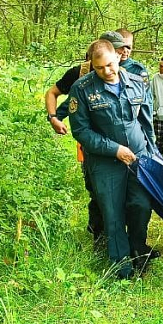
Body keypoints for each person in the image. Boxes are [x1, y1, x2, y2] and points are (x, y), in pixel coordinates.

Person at [67, 39, 157, 279]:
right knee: (112, 213)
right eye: (99, 68)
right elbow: (81, 132)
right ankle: (121, 266)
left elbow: (147, 122)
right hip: (105, 161)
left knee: (141, 206)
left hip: (138, 158)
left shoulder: (137, 83)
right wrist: (115, 149)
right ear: (91, 66)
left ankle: (139, 252)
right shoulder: (82, 89)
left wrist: (153, 154)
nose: (106, 71)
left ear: (118, 57)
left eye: (109, 64)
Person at [44, 48, 104, 243]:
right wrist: (54, 118)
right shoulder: (78, 74)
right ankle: (99, 234)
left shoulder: (119, 73)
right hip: (88, 142)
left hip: (118, 142)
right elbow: (58, 97)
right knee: (94, 187)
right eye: (93, 65)